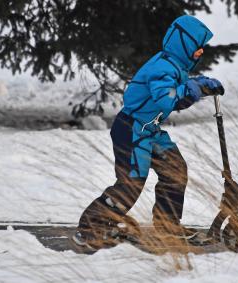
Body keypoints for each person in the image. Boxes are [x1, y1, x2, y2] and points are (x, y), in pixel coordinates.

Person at [74, 15, 224, 249]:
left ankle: (168, 225)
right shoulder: (162, 66)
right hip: (131, 129)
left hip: (149, 130)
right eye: (197, 47)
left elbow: (179, 93)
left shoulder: (175, 66)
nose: (200, 52)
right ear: (183, 44)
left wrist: (200, 84)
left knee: (175, 170)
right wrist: (195, 88)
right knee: (131, 183)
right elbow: (167, 99)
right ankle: (90, 228)